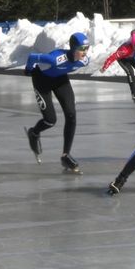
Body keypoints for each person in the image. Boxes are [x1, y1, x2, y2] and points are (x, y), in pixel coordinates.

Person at [24, 32, 90, 173]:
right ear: (73, 48)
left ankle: (65, 155)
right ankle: (34, 133)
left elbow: (71, 65)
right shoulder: (55, 59)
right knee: (50, 120)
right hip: (41, 79)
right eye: (82, 49)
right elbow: (32, 57)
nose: (85, 52)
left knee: (71, 115)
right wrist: (28, 70)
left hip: (60, 79)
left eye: (87, 48)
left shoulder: (84, 60)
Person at [100, 30, 135, 103]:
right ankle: (134, 93)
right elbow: (112, 57)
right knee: (130, 73)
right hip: (123, 59)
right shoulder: (124, 50)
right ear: (133, 44)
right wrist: (105, 67)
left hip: (134, 56)